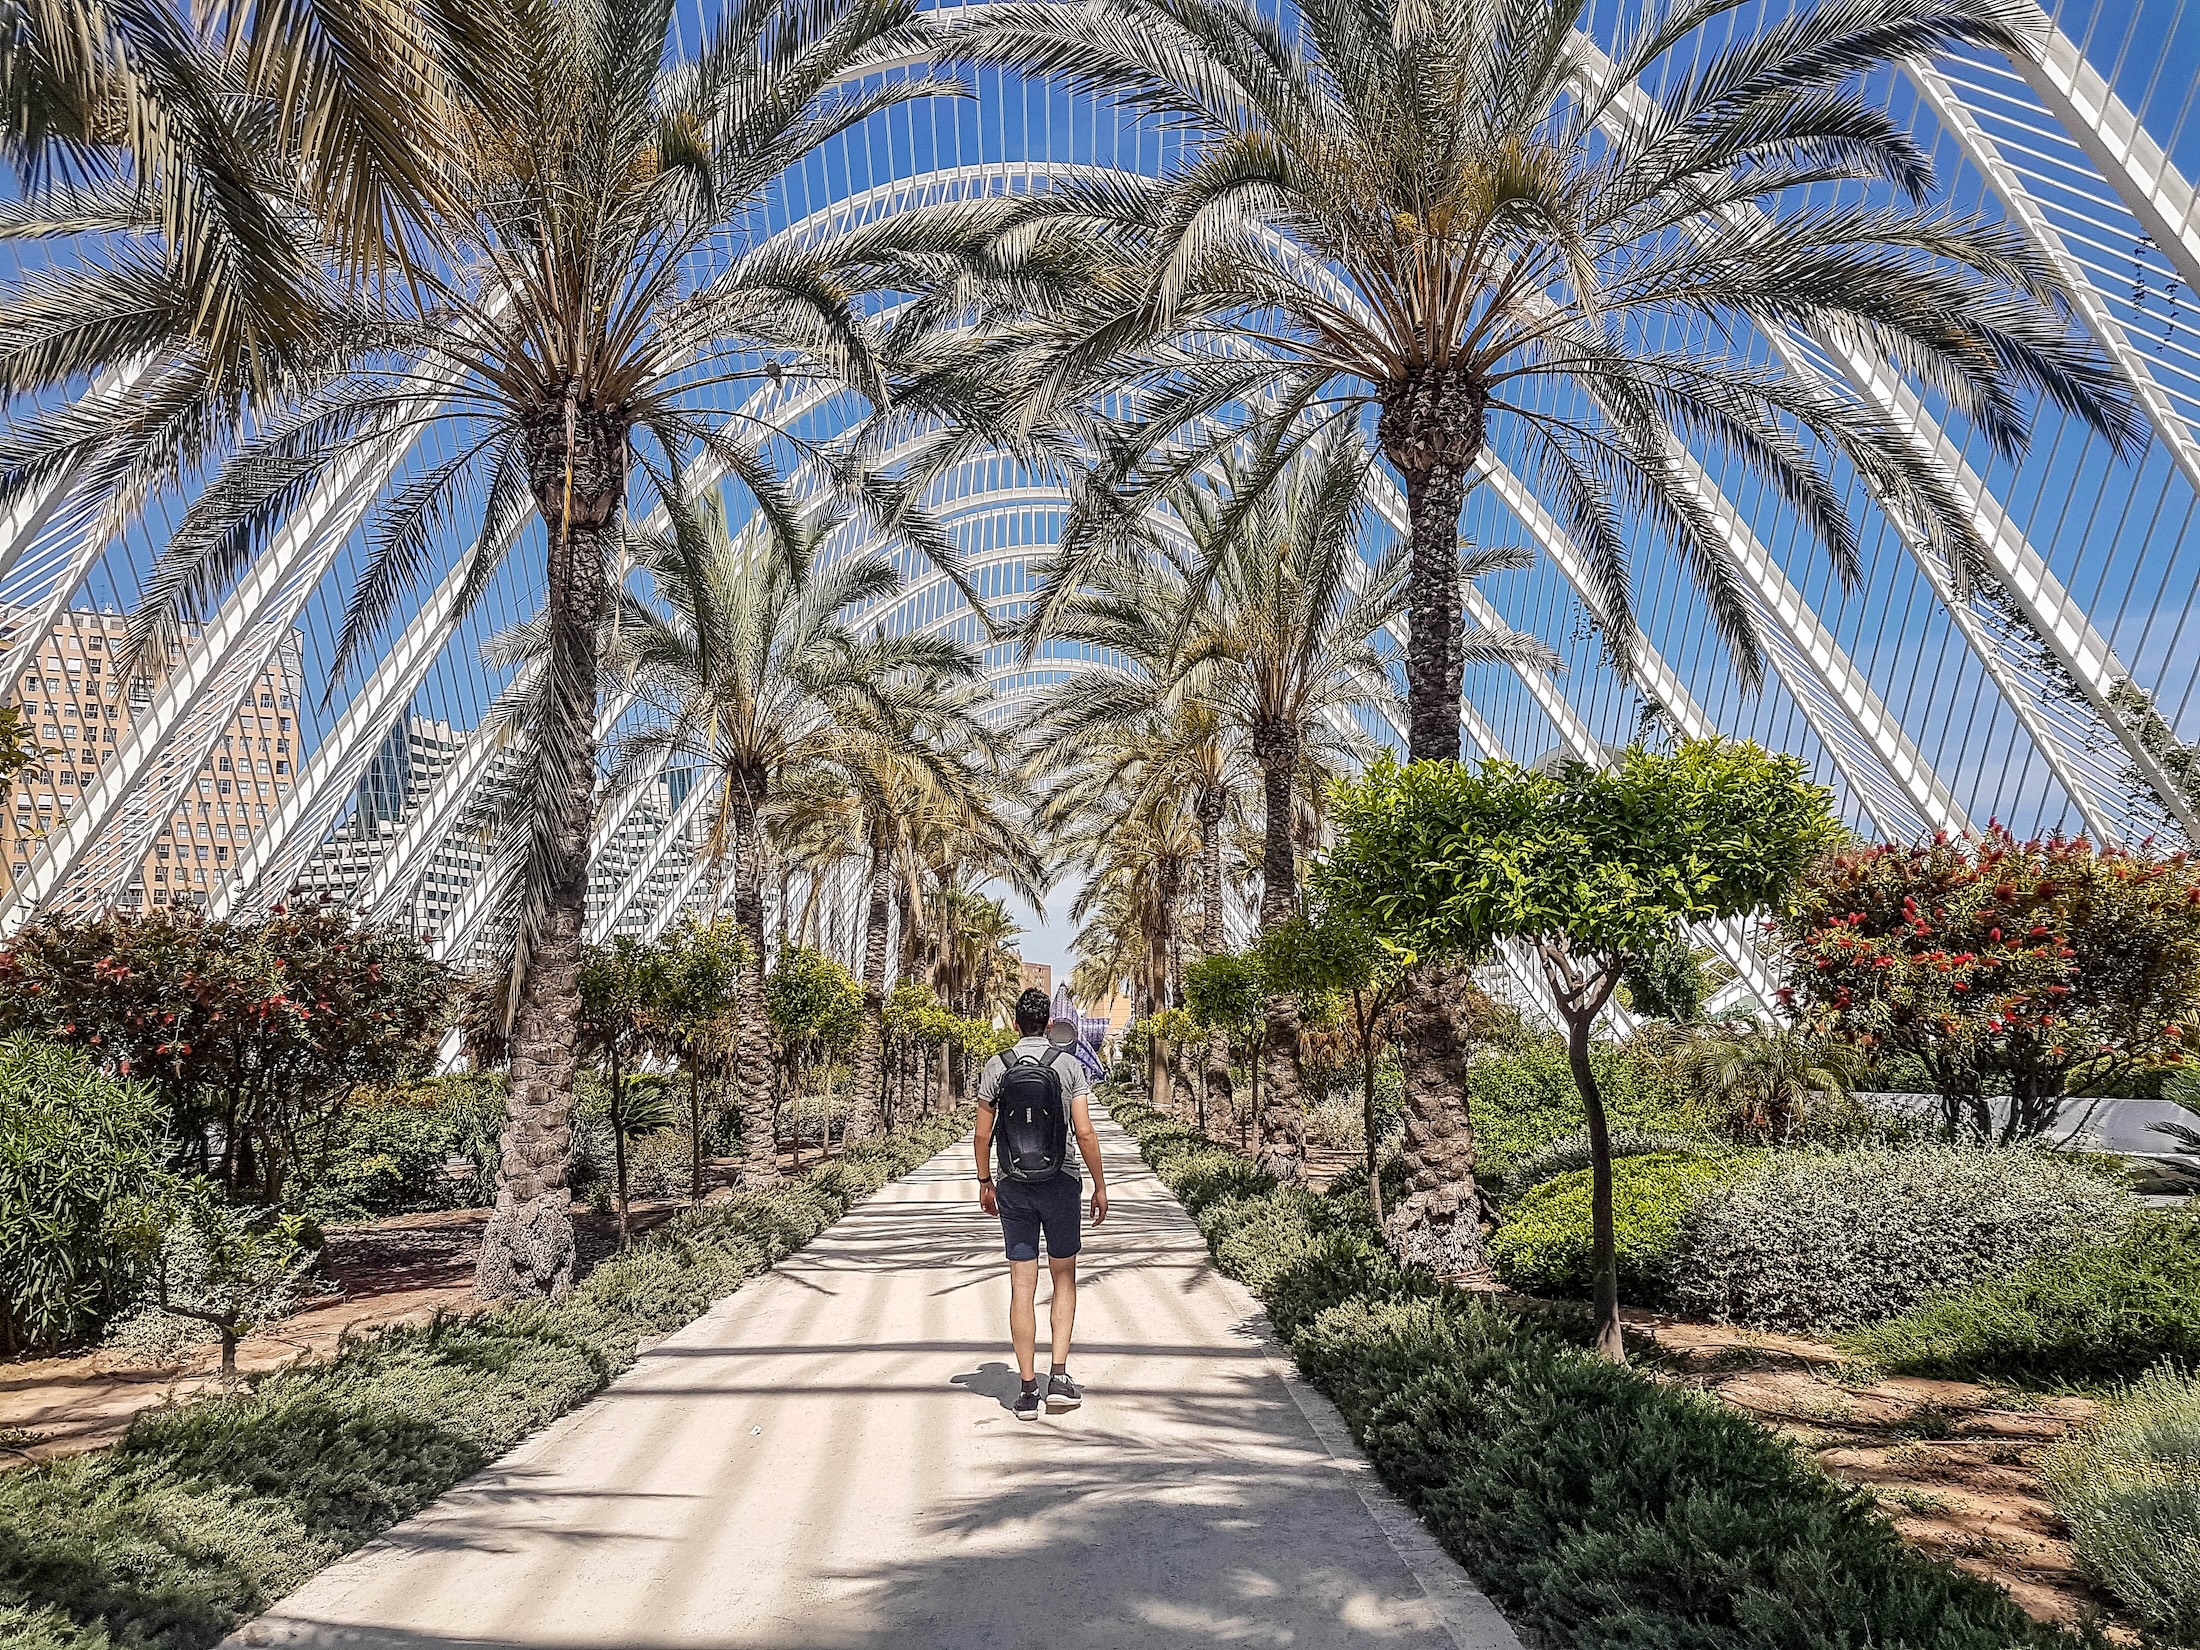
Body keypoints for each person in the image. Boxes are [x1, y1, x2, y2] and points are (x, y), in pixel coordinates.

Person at [974, 986, 1108, 1421]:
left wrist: (985, 1181)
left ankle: (1028, 1389)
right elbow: (1085, 1132)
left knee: (1022, 1286)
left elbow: (981, 1134)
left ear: (1016, 1024)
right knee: (1064, 1278)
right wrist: (1099, 1184)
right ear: (1049, 1025)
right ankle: (1061, 1378)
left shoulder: (998, 1066)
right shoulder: (1067, 1065)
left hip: (1014, 1185)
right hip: (1061, 1182)